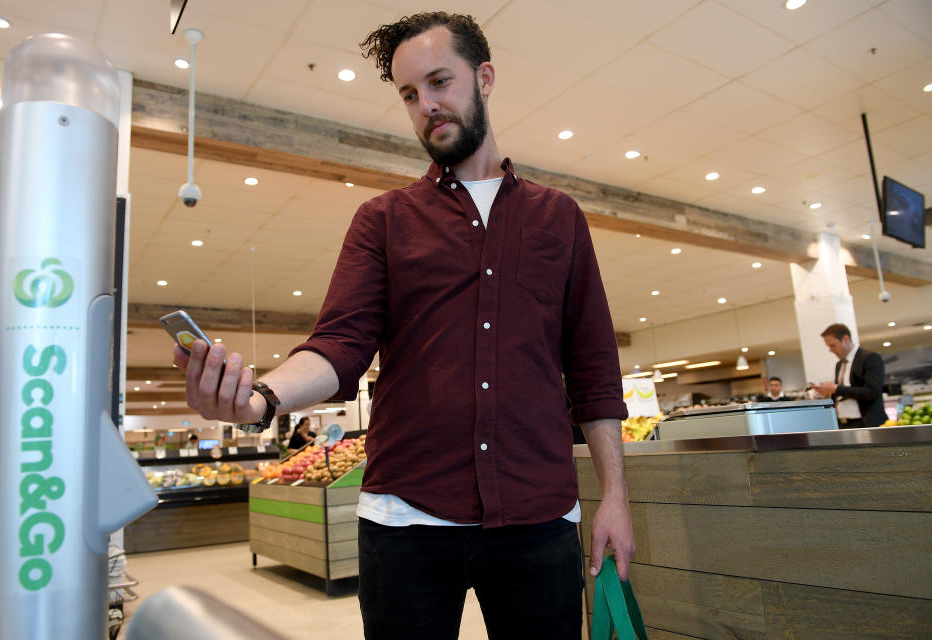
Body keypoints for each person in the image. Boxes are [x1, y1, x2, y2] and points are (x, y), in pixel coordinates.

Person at [174, 12, 632, 639]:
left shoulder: (559, 218)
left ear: (485, 77)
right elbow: (340, 344)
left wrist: (615, 497)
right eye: (410, 95)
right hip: (404, 519)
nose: (427, 106)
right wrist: (260, 398)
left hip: (538, 515)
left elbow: (593, 368)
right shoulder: (383, 220)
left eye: (440, 82)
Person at [810, 323, 888, 428]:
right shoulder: (839, 365)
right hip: (843, 423)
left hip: (866, 423)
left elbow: (873, 392)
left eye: (833, 345)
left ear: (846, 339)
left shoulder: (869, 358)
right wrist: (827, 392)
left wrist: (836, 389)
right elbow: (842, 392)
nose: (831, 350)